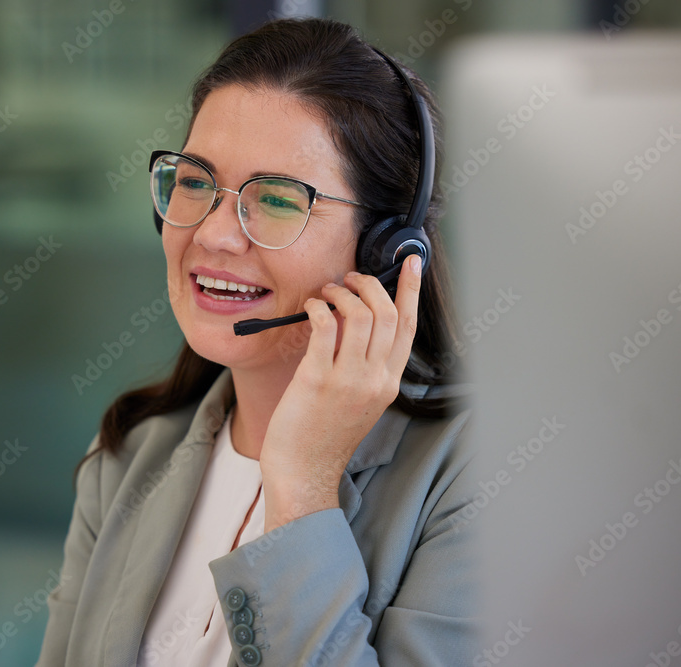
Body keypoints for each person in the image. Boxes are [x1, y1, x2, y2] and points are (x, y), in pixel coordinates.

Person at [36, 17, 476, 667]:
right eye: (194, 182)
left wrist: (302, 484)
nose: (214, 235)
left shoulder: (472, 476)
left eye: (273, 198)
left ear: (386, 249)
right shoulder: (128, 454)